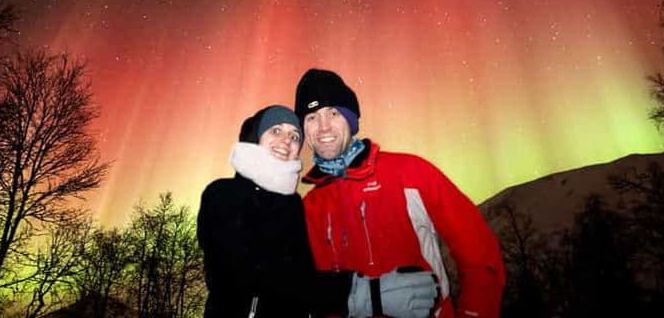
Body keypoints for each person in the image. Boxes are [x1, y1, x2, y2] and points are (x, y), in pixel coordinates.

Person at [294, 68, 505, 318]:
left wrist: (473, 313)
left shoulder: (410, 173)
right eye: (311, 118)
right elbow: (301, 288)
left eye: (333, 113)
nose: (323, 127)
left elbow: (480, 254)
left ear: (350, 120)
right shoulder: (308, 208)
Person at [197, 105, 315, 318]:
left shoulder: (295, 205)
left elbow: (303, 276)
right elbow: (230, 267)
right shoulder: (221, 193)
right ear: (256, 136)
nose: (287, 141)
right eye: (276, 131)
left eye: (295, 136)